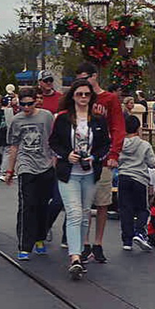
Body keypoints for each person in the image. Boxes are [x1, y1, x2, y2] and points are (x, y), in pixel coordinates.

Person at [49, 78, 110, 279]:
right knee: (74, 213)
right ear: (73, 96)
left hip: (90, 173)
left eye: (87, 94)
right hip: (69, 174)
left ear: (91, 97)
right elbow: (53, 143)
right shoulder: (63, 119)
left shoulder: (98, 120)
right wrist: (66, 155)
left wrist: (94, 157)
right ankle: (74, 257)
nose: (83, 97)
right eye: (79, 94)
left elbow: (105, 145)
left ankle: (81, 252)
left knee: (84, 214)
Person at [75, 62, 123, 264]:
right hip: (81, 158)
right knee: (83, 203)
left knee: (102, 202)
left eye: (86, 78)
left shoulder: (109, 99)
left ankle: (98, 243)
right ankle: (84, 243)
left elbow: (117, 127)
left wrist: (114, 154)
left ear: (94, 76)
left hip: (102, 159)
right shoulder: (77, 98)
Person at [4, 86, 56, 260]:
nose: (26, 107)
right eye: (23, 104)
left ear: (36, 101)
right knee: (27, 205)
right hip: (26, 166)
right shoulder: (16, 120)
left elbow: (53, 139)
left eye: (29, 104)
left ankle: (40, 238)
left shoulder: (46, 116)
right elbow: (14, 146)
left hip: (45, 165)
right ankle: (24, 245)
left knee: (42, 205)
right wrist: (10, 169)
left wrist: (54, 161)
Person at [117, 115, 155, 252]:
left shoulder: (120, 144)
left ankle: (126, 241)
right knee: (142, 209)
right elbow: (152, 163)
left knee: (125, 209)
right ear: (138, 128)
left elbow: (116, 159)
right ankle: (139, 232)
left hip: (123, 177)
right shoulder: (145, 145)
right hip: (140, 179)